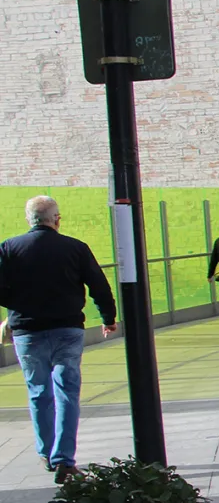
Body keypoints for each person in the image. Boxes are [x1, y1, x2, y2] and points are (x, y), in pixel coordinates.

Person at [0, 196, 118, 484]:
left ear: (29, 219)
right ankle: (64, 459)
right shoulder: (75, 247)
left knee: (38, 391)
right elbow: (98, 285)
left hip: (28, 331)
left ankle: (46, 453)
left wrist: (16, 309)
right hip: (67, 329)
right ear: (56, 219)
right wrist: (108, 317)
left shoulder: (9, 248)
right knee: (67, 391)